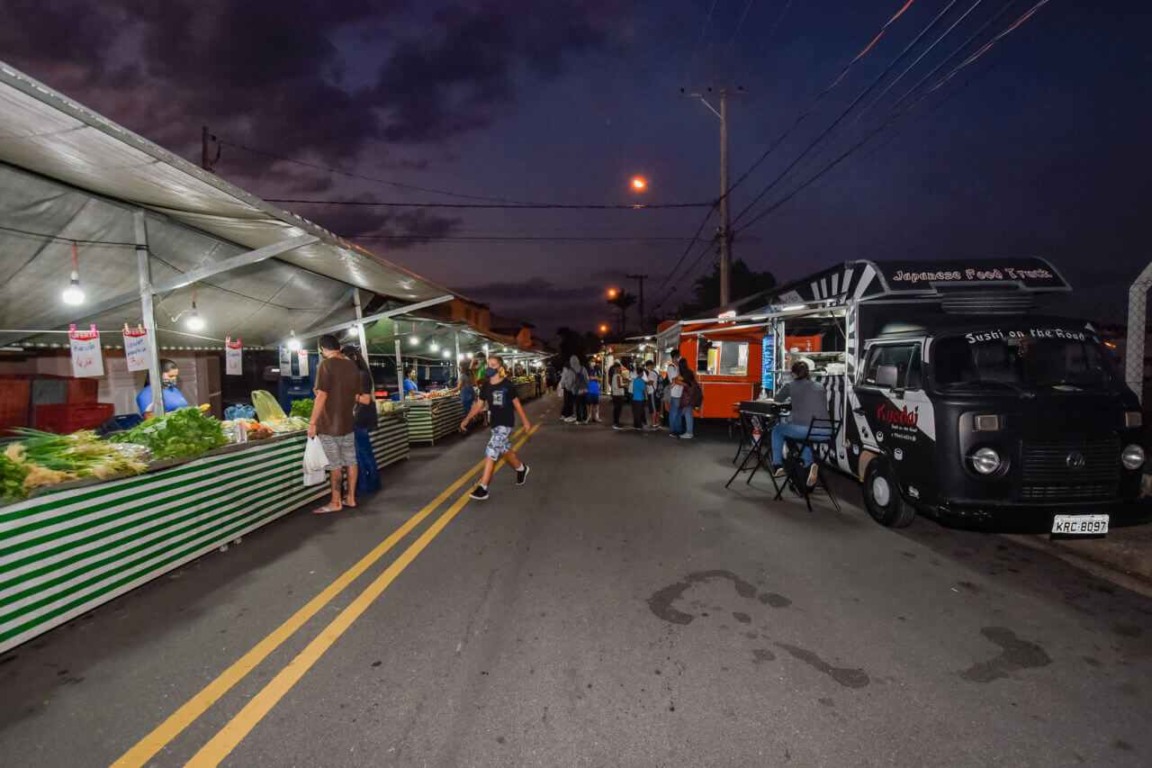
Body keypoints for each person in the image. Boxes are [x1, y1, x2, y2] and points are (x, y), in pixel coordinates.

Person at [461, 355, 532, 500]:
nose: (489, 368)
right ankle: (521, 468)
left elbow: (517, 404)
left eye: (493, 365)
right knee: (505, 450)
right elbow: (479, 405)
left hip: (505, 423)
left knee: (492, 449)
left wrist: (525, 422)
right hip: (495, 423)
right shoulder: (486, 386)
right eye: (488, 364)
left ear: (500, 368)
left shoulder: (507, 385)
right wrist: (466, 419)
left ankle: (483, 487)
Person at [309, 335, 364, 514]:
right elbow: (356, 395)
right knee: (351, 460)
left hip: (329, 425)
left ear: (322, 349)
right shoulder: (351, 365)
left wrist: (312, 422)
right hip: (348, 423)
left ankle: (335, 502)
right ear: (339, 347)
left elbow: (322, 395)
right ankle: (351, 498)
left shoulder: (325, 365)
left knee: (335, 464)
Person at [771, 361, 830, 487]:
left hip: (806, 430)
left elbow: (777, 399)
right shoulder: (820, 386)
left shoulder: (790, 386)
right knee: (802, 437)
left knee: (778, 430)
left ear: (793, 374)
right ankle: (809, 465)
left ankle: (777, 465)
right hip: (827, 431)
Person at [342, 345, 381, 498]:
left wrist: (347, 393)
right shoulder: (357, 374)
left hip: (360, 417)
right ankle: (370, 483)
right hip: (359, 417)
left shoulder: (361, 375)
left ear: (354, 358)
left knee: (362, 454)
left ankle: (366, 485)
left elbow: (365, 399)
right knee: (363, 453)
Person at [676, 360, 699, 440]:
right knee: (688, 414)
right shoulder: (690, 371)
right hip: (692, 395)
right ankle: (689, 432)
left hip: (688, 396)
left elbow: (681, 382)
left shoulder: (684, 374)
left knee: (687, 414)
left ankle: (689, 432)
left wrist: (677, 379)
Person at [609, 362, 627, 430]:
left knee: (616, 409)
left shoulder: (614, 375)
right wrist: (626, 385)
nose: (620, 369)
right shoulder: (618, 376)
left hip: (615, 394)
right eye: (619, 367)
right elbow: (619, 385)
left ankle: (616, 422)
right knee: (618, 409)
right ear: (616, 368)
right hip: (618, 394)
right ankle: (616, 423)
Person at [630, 362, 648, 430]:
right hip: (640, 398)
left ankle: (636, 424)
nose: (643, 374)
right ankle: (639, 425)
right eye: (642, 373)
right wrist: (646, 398)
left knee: (635, 412)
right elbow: (644, 390)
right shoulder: (641, 381)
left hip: (635, 398)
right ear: (640, 373)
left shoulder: (635, 380)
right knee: (639, 412)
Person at [559, 358, 576, 422]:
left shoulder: (567, 370)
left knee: (567, 402)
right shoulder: (567, 370)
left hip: (568, 388)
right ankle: (567, 415)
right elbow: (563, 380)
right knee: (569, 402)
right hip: (569, 388)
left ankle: (564, 415)